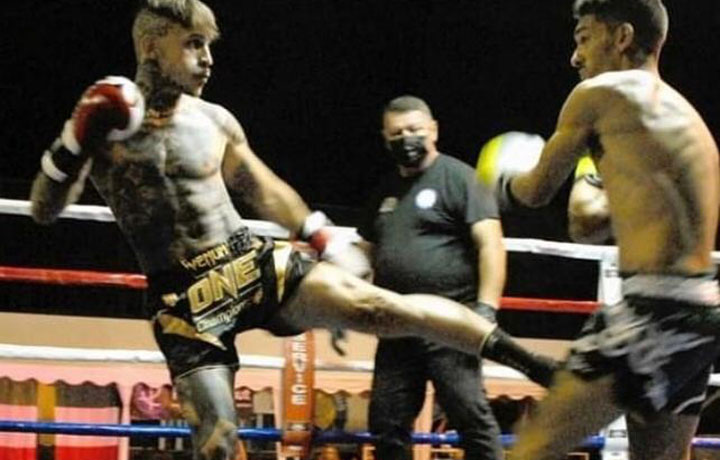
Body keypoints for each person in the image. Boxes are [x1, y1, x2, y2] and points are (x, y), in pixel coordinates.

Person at [28, 1, 557, 459]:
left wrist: (322, 236)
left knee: (380, 307)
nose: (208, 58)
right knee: (216, 443)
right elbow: (43, 209)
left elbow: (262, 189)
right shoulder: (106, 126)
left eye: (208, 45)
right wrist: (73, 141)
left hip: (247, 260)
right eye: (192, 44)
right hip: (184, 298)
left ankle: (529, 361)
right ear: (150, 47)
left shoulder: (214, 120)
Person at [478, 1, 720, 459]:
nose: (576, 56)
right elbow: (589, 227)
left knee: (531, 450)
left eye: (584, 38)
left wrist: (502, 181)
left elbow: (536, 191)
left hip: (650, 312)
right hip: (702, 314)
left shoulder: (598, 94)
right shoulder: (688, 120)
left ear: (622, 36)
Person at [359, 96, 510, 460]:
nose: (406, 138)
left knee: (470, 416)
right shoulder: (384, 190)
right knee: (386, 422)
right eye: (397, 133)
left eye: (413, 129)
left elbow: (491, 244)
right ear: (385, 138)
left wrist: (487, 309)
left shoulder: (461, 178)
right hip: (396, 323)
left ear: (433, 130)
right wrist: (343, 301)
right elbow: (364, 253)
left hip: (450, 322)